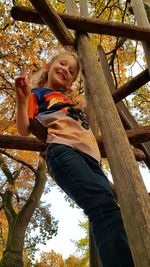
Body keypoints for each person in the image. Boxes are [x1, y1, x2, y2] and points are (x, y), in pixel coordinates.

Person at [15, 47, 135, 267]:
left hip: (92, 160)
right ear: (49, 65)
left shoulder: (74, 103)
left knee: (110, 210)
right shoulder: (38, 93)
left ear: (70, 82)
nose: (65, 70)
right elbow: (23, 128)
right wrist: (22, 98)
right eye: (61, 64)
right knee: (103, 209)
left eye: (71, 71)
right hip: (63, 150)